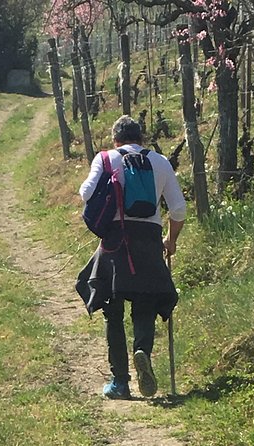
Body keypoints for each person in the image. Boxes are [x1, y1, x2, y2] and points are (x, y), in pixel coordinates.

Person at [78, 115, 186, 399]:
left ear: (115, 140)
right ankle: (143, 350)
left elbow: (86, 192)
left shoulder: (105, 158)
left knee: (112, 312)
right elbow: (178, 209)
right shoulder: (160, 162)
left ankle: (120, 382)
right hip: (149, 241)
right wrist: (171, 241)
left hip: (115, 240)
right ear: (142, 139)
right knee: (146, 303)